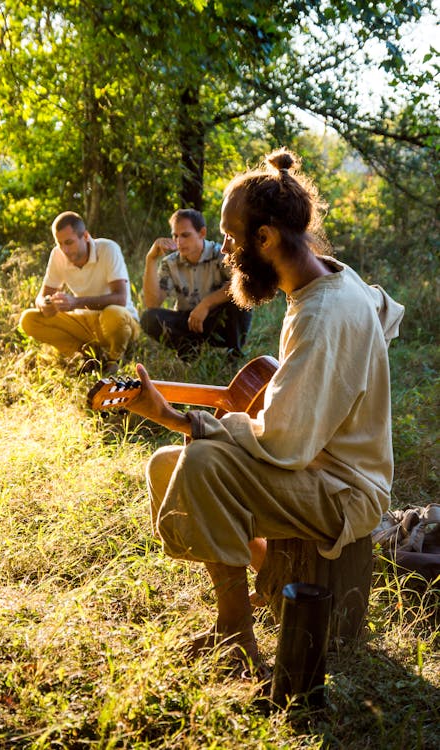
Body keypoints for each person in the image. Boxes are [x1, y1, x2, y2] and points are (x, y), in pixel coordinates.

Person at [120, 148, 404, 674]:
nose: (224, 250)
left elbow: (282, 443)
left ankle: (235, 633)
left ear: (266, 238)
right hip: (315, 467)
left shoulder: (322, 314)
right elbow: (389, 311)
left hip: (345, 489)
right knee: (165, 464)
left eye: (230, 236)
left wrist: (177, 417)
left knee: (200, 462)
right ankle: (271, 575)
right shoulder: (335, 278)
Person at [20, 211, 139, 374]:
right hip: (85, 322)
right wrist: (47, 304)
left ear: (85, 236)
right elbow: (41, 297)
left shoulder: (108, 249)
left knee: (115, 314)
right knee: (29, 319)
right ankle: (86, 355)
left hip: (119, 321)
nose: (65, 249)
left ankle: (114, 359)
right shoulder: (57, 254)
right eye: (59, 243)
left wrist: (76, 302)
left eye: (69, 242)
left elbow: (120, 298)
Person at [141, 208, 252, 359]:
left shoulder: (219, 253)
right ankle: (190, 352)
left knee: (239, 301)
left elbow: (241, 283)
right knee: (148, 318)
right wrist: (151, 260)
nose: (179, 242)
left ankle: (233, 353)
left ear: (202, 233)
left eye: (185, 235)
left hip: (216, 319)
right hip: (187, 321)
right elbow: (152, 303)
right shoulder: (170, 263)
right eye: (175, 236)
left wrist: (206, 304)